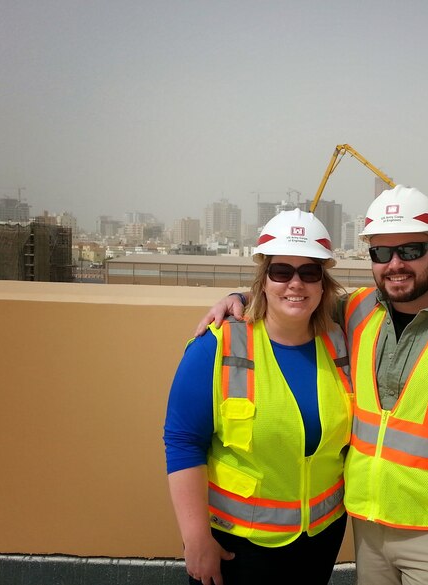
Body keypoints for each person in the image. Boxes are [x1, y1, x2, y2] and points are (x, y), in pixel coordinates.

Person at [196, 185, 428, 585]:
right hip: (368, 531)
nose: (395, 264)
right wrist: (237, 297)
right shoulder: (356, 311)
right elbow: (294, 295)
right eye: (381, 253)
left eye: (409, 251)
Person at [164, 209, 353, 585]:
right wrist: (196, 538)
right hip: (238, 543)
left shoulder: (342, 341)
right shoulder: (217, 346)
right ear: (263, 280)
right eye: (281, 272)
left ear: (323, 283)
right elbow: (183, 441)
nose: (295, 284)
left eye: (309, 272)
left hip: (320, 537)